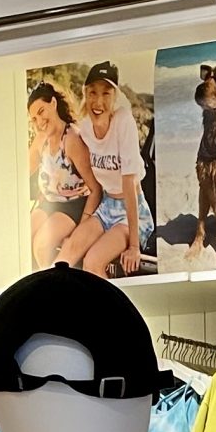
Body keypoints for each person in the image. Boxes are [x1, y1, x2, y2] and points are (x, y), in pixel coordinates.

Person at [59, 64, 148, 278]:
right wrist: (79, 232)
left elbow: (129, 182)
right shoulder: (85, 128)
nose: (98, 102)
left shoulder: (123, 121)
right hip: (106, 207)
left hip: (132, 210)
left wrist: (134, 246)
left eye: (106, 93)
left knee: (92, 262)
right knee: (65, 257)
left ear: (115, 97)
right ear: (85, 94)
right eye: (93, 93)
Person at [26, 82, 97, 270]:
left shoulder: (72, 139)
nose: (39, 122)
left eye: (41, 112)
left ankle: (51, 286)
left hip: (72, 206)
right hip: (48, 202)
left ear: (53, 103)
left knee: (41, 246)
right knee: (22, 238)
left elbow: (95, 189)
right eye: (34, 119)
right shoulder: (41, 139)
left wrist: (82, 228)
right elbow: (22, 172)